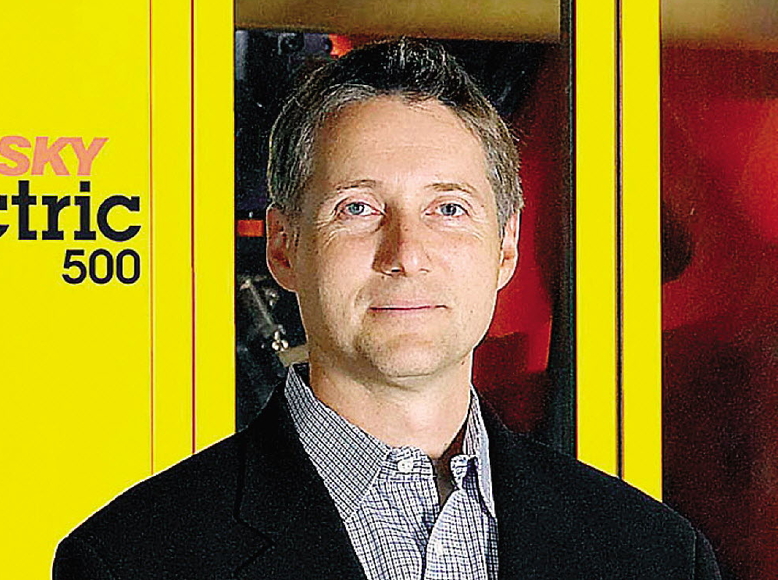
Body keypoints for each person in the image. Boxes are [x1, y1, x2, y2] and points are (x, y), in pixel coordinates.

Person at [53, 38, 720, 580]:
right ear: (284, 248)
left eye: (448, 209)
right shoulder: (131, 560)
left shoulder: (657, 557)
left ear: (505, 247)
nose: (406, 253)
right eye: (358, 208)